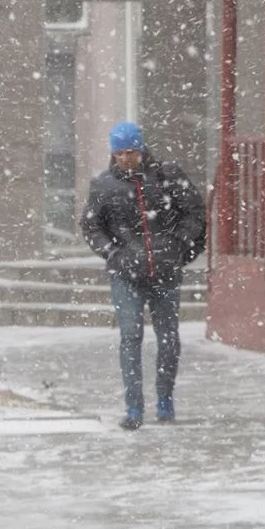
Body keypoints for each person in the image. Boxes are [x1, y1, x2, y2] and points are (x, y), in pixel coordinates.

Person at [81, 121, 206, 430]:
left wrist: (180, 247)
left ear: (141, 149)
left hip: (165, 271)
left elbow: (195, 213)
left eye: (131, 151)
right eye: (120, 153)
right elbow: (91, 226)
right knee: (131, 336)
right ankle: (134, 407)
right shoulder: (103, 186)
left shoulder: (167, 177)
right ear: (113, 153)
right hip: (126, 273)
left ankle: (165, 398)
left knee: (168, 339)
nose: (126, 158)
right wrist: (112, 252)